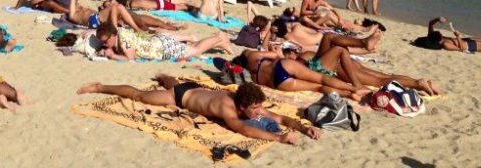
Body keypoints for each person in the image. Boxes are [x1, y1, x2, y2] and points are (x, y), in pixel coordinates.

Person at [77, 76, 320, 144]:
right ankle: (100, 86)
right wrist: (279, 137)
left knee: (173, 80)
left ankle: (164, 76)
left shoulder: (248, 103)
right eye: (255, 109)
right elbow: (242, 130)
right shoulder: (229, 108)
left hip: (193, 87)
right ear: (242, 106)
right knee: (140, 96)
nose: (259, 113)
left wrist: (302, 126)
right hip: (181, 97)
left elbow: (276, 115)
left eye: (259, 108)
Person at [302, 33, 442, 95]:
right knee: (382, 78)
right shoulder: (302, 56)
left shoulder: (301, 57)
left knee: (381, 79)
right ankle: (418, 83)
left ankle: (418, 83)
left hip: (336, 66)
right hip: (336, 66)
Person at [232, 49, 370, 101]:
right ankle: (354, 89)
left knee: (318, 87)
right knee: (322, 78)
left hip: (279, 83)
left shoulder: (252, 76)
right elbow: (275, 55)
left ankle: (348, 95)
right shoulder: (252, 56)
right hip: (282, 66)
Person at [95, 23, 233, 62]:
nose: (106, 44)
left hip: (161, 48)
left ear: (113, 35)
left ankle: (218, 38)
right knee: (192, 48)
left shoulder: (123, 38)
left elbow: (130, 57)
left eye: (106, 41)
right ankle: (219, 43)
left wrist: (112, 56)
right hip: (158, 43)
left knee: (195, 51)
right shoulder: (118, 33)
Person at [415, 17, 481, 53]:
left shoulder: (431, 36)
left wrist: (438, 19)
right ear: (439, 40)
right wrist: (457, 36)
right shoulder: (446, 45)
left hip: (467, 40)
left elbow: (430, 23)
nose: (442, 35)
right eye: (441, 36)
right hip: (469, 46)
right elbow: (461, 49)